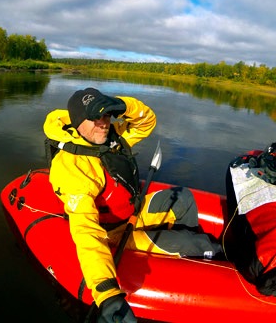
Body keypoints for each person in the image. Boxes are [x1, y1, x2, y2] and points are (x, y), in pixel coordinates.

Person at [44, 88, 222, 322]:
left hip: (132, 212)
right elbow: (87, 233)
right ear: (78, 121)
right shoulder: (73, 168)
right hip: (113, 233)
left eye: (106, 115)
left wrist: (119, 105)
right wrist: (107, 294)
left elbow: (147, 121)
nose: (103, 123)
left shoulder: (113, 137)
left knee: (184, 198)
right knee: (202, 245)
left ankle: (180, 254)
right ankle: (194, 252)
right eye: (95, 117)